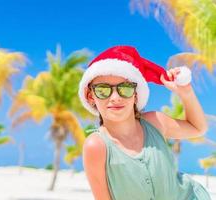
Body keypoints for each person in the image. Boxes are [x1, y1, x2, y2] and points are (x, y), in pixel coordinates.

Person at [78, 46, 211, 200]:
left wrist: (185, 92)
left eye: (125, 88)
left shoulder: (155, 122)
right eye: (103, 90)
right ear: (90, 96)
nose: (115, 97)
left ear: (135, 94)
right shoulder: (96, 146)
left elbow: (198, 128)